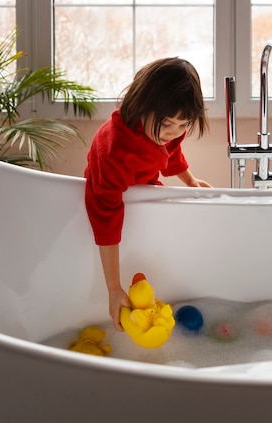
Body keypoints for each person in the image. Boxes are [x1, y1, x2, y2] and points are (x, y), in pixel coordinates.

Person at [84, 57, 211, 331]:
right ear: (143, 107)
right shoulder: (114, 149)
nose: (174, 132)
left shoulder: (168, 130)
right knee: (109, 214)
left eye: (183, 124)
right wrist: (114, 288)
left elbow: (171, 151)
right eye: (168, 124)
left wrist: (189, 180)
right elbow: (105, 214)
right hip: (110, 189)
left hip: (143, 185)